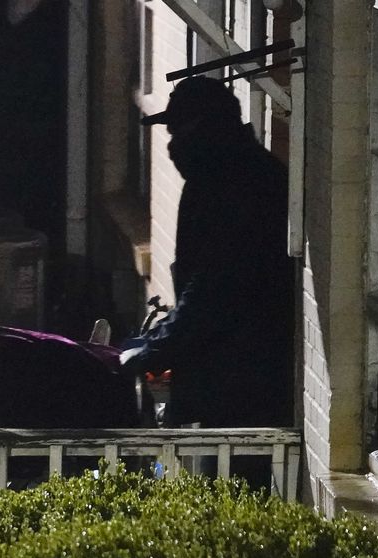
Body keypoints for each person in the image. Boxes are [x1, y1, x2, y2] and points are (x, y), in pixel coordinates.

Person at [120, 76, 294, 435]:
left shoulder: (239, 187)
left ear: (203, 130)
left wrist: (155, 349)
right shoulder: (222, 178)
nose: (172, 145)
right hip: (230, 378)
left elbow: (215, 289)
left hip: (246, 388)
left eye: (176, 131)